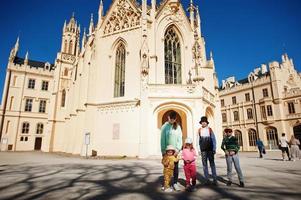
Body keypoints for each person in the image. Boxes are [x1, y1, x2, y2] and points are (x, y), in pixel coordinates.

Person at [161, 111, 183, 191]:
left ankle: (175, 183)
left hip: (175, 152)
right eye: (171, 119)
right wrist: (163, 151)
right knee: (167, 168)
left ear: (175, 119)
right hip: (167, 152)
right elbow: (162, 139)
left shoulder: (178, 127)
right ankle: (166, 184)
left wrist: (178, 149)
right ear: (168, 117)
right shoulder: (164, 127)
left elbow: (180, 139)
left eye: (174, 119)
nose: (172, 120)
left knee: (176, 168)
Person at [198, 116, 217, 185]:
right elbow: (198, 140)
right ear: (201, 123)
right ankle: (207, 179)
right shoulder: (199, 130)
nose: (203, 123)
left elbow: (213, 139)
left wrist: (214, 148)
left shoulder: (210, 130)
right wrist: (198, 150)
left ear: (206, 123)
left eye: (204, 122)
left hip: (210, 149)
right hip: (203, 150)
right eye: (202, 122)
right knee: (204, 165)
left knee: (212, 164)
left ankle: (215, 179)